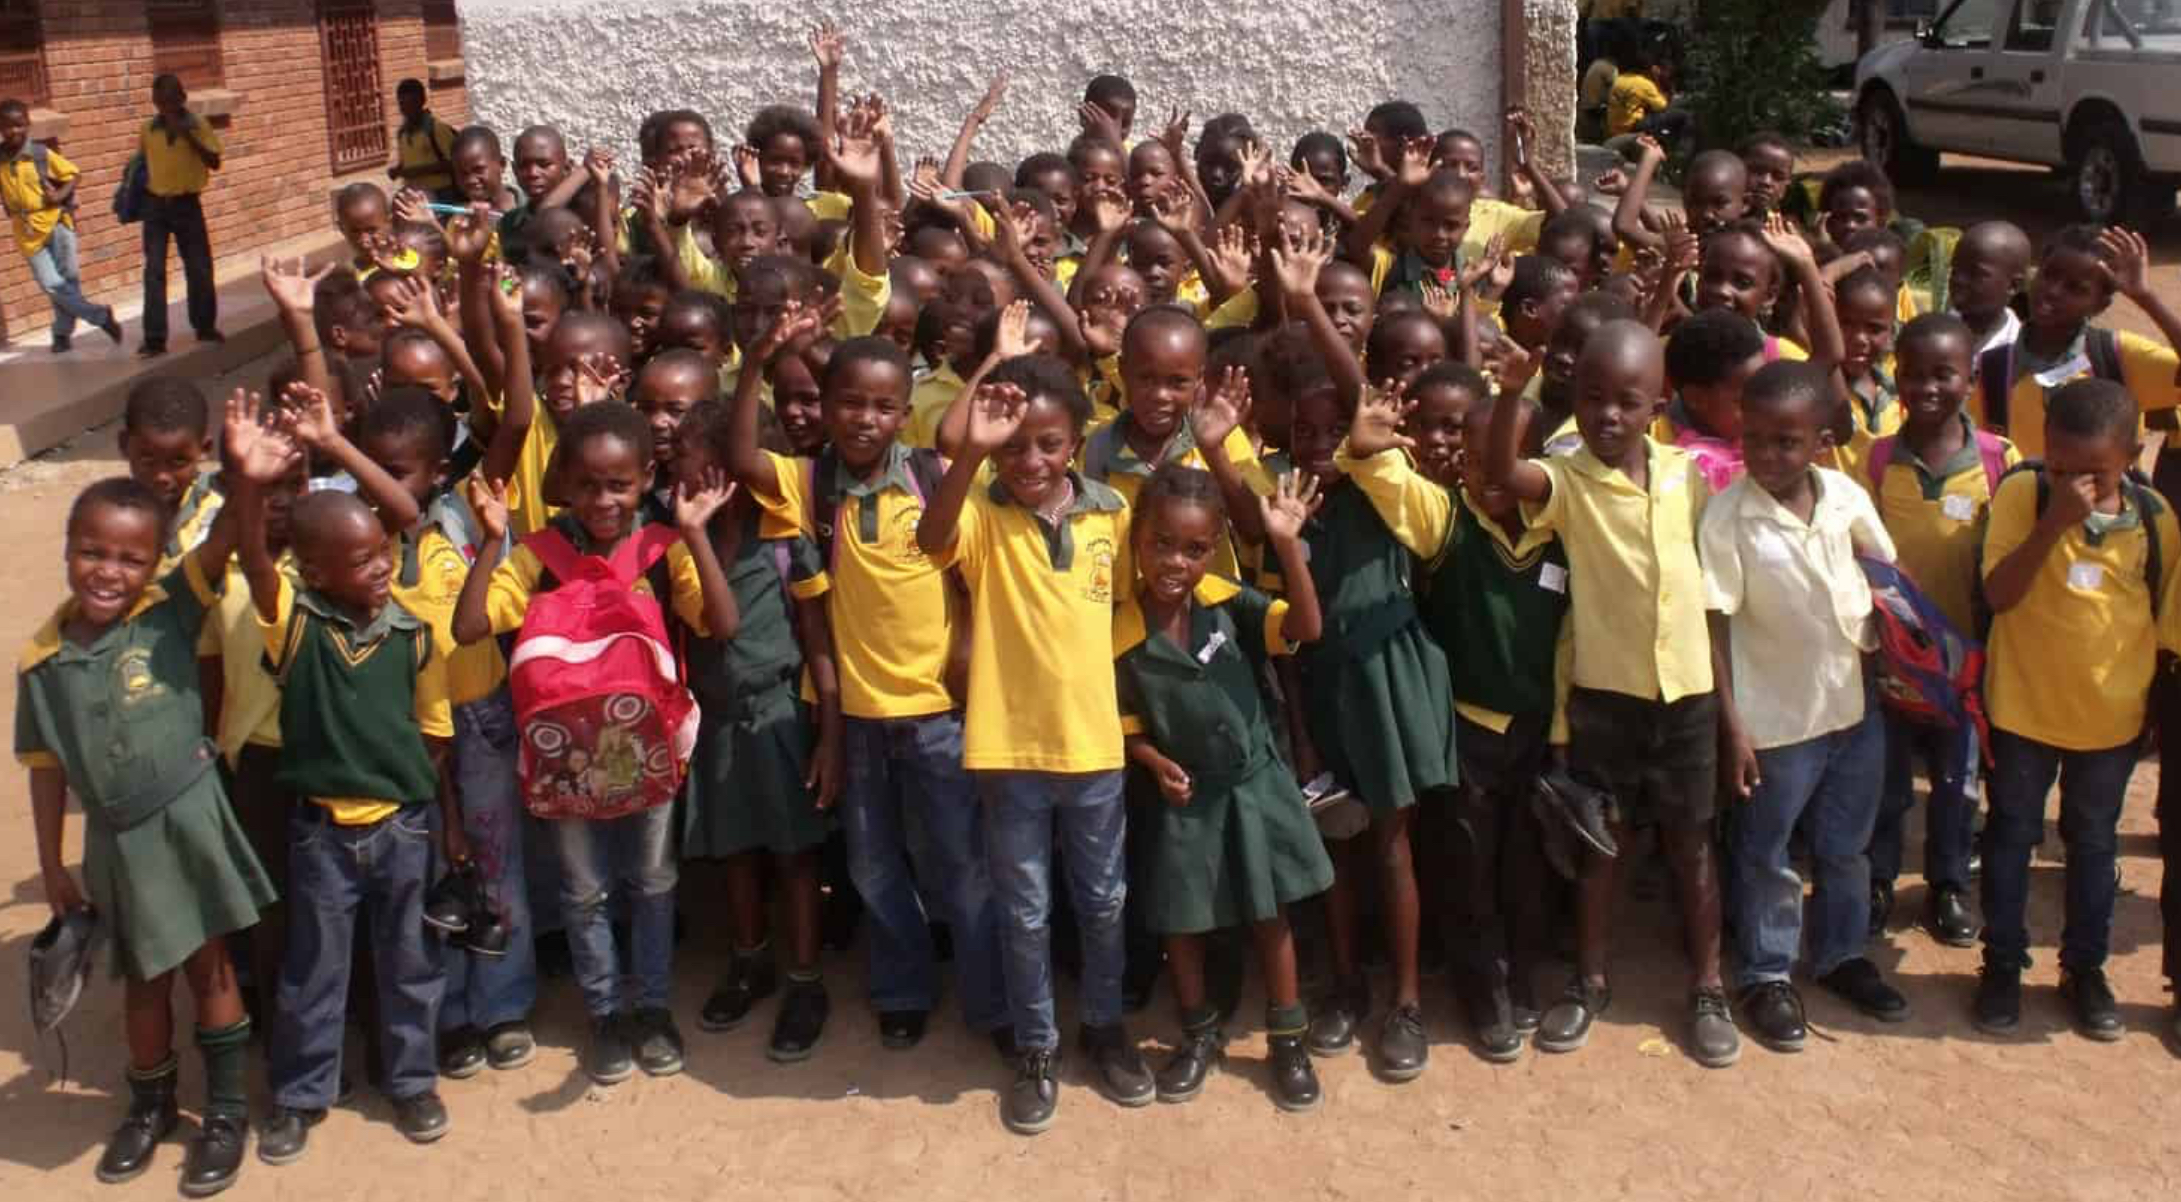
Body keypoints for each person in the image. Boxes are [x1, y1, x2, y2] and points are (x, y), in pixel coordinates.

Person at [22, 397, 274, 1194]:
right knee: (141, 978)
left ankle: (227, 1111)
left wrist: (245, 476)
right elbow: (44, 765)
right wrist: (53, 866)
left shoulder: (170, 613)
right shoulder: (43, 661)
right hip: (115, 838)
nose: (110, 572)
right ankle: (149, 1104)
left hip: (188, 817)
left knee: (210, 968)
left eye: (131, 560)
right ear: (67, 553)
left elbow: (231, 536)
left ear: (156, 561)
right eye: (93, 553)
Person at [1480, 319, 1740, 1069]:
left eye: (1627, 401)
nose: (1607, 416)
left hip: (1687, 695)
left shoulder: (1687, 477)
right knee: (1604, 846)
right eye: (1592, 398)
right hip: (1605, 697)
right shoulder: (1567, 478)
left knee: (1693, 845)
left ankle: (1707, 985)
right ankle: (1589, 981)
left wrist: (1730, 717)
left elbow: (1707, 600)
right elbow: (1502, 474)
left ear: (1658, 401)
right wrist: (1508, 393)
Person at [453, 401, 727, 1086]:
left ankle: (652, 1008)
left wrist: (694, 536)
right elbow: (468, 627)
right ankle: (606, 1013)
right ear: (563, 485)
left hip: (650, 751)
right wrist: (493, 542)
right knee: (582, 890)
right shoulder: (538, 555)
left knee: (655, 880)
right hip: (563, 757)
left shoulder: (662, 550)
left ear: (645, 480)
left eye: (620, 485)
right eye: (587, 486)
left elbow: (720, 623)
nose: (604, 500)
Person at [916, 357, 1151, 1136]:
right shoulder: (982, 512)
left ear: (1075, 443)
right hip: (1008, 751)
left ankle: (1105, 1027)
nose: (1030, 461)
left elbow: (1120, 616)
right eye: (1014, 447)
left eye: (1048, 445)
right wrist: (970, 453)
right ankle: (1037, 1048)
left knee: (1104, 901)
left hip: (1093, 750)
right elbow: (933, 535)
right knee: (1024, 912)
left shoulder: (1109, 513)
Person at [1342, 372, 1562, 1061]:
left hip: (1539, 729)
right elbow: (1388, 483)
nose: (1488, 472)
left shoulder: (1559, 528)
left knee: (1524, 866)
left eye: (1508, 459)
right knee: (1466, 869)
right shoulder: (1445, 519)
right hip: (1465, 730)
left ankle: (1520, 971)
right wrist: (1370, 448)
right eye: (1473, 458)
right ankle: (1483, 991)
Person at [1703, 360, 1909, 1054]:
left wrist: (1896, 659)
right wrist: (1732, 729)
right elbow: (1714, 625)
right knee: (1766, 852)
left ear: (1821, 441)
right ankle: (1766, 972)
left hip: (1854, 709)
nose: (1766, 454)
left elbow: (1884, 580)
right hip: (1775, 722)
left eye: (1786, 442)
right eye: (1753, 438)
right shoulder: (1728, 515)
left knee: (1845, 847)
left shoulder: (1847, 497)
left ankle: (1840, 954)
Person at [1116, 465, 1333, 1112]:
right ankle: (1199, 1035)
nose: (1173, 561)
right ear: (1136, 539)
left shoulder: (1226, 600)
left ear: (1211, 550)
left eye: (1191, 548)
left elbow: (1306, 628)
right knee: (1182, 925)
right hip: (1183, 799)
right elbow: (1124, 724)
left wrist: (1287, 543)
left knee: (1269, 915)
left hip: (1251, 786)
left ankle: (1287, 1039)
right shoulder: (1121, 630)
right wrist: (1153, 761)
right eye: (1158, 543)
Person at [1976, 377, 2181, 1041]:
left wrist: (2148, 710)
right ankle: (2001, 962)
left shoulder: (2154, 520)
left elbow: (2160, 625)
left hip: (2109, 721)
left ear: (2129, 457)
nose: (2072, 483)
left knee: (2090, 844)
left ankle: (2082, 968)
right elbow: (2000, 594)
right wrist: (2052, 522)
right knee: (2011, 834)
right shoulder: (2021, 493)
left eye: (2091, 472)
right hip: (2021, 708)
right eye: (2060, 466)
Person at [1859, 313, 2016, 947]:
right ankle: (1877, 879)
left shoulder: (1998, 460)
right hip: (1892, 661)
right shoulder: (1875, 458)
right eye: (1913, 373)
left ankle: (1948, 885)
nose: (1926, 387)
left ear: (1972, 379)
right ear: (1897, 375)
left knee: (1957, 784)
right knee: (1888, 784)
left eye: (1943, 374)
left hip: (1967, 667)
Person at [0, 98, 122, 352]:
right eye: (7, 126)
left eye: (19, 125)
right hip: (26, 231)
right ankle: (101, 316)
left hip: (56, 223)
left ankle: (61, 335)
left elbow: (74, 175)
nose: (13, 131)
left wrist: (58, 195)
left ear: (28, 124)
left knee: (65, 283)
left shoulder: (39, 154)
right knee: (51, 284)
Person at [138, 73, 224, 358]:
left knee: (198, 266)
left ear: (182, 99)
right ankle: (154, 338)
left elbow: (215, 162)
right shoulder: (148, 129)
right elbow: (143, 163)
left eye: (172, 101)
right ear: (154, 102)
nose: (166, 107)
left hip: (187, 204)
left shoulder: (198, 125)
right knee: (154, 272)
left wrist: (187, 134)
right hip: (156, 206)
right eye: (161, 102)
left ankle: (204, 326)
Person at [388, 79, 462, 206]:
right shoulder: (402, 133)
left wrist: (418, 171)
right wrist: (397, 170)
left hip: (442, 193)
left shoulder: (436, 129)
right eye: (403, 105)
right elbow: (406, 163)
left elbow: (453, 163)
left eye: (412, 104)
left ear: (422, 101)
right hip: (416, 195)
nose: (407, 110)